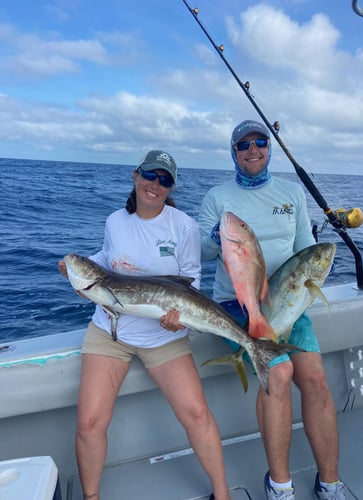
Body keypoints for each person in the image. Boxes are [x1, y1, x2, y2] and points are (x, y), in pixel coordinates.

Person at [58, 150, 231, 500]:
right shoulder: (114, 221)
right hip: (111, 331)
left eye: (165, 180)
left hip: (163, 334)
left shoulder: (184, 227)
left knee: (197, 414)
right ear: (135, 175)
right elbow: (106, 262)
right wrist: (77, 274)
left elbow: (190, 284)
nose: (156, 184)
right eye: (151, 175)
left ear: (171, 187)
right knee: (90, 424)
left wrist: (177, 317)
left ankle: (223, 494)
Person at [199, 120, 346, 500]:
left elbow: (305, 248)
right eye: (243, 144)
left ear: (269, 148)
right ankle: (280, 485)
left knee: (314, 378)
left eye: (259, 142)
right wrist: (217, 236)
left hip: (286, 297)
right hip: (237, 305)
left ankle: (330, 483)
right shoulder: (217, 197)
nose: (252, 149)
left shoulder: (292, 193)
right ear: (234, 152)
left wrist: (303, 290)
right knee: (278, 377)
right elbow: (199, 250)